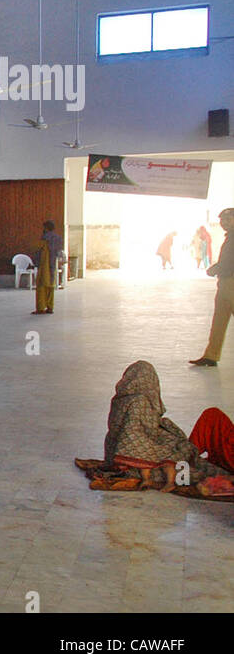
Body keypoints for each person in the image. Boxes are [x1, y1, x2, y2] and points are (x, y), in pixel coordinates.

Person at [75, 360, 234, 498]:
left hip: (117, 455)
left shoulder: (120, 400)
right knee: (179, 454)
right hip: (134, 459)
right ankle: (176, 471)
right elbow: (139, 435)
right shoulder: (140, 402)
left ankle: (185, 462)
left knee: (187, 440)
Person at [190, 208, 234, 368]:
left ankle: (211, 355)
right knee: (218, 322)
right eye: (222, 220)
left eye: (228, 219)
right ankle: (211, 355)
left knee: (220, 320)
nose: (224, 223)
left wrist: (215, 269)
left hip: (231, 282)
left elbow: (229, 263)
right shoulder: (229, 237)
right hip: (225, 283)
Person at [32, 220, 63, 315]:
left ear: (46, 228)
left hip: (44, 265)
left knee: (41, 286)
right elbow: (59, 252)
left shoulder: (44, 238)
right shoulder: (58, 238)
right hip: (53, 264)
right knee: (51, 285)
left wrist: (35, 262)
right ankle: (50, 307)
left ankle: (40, 308)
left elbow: (38, 251)